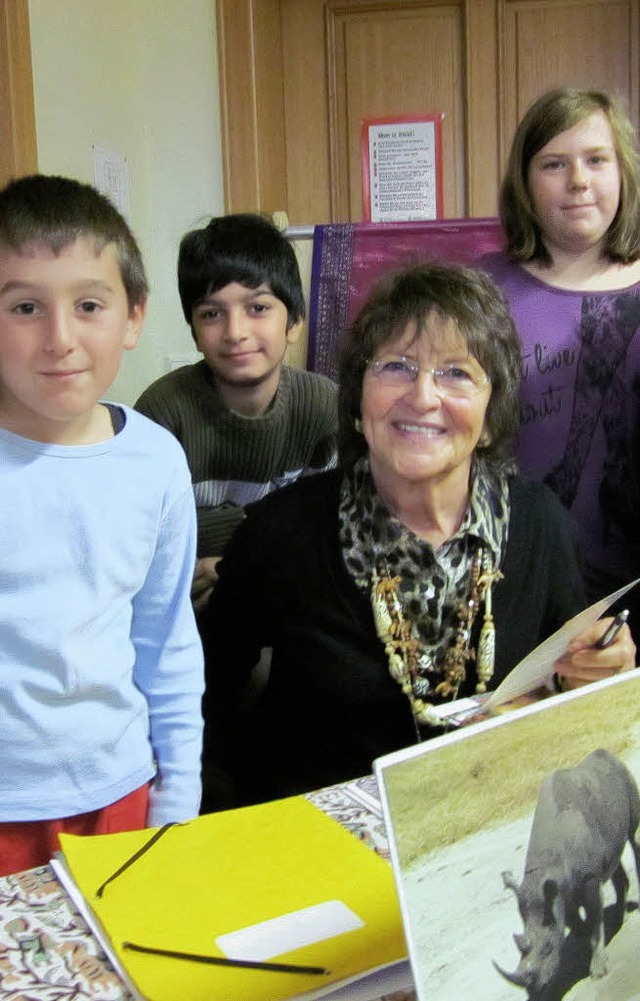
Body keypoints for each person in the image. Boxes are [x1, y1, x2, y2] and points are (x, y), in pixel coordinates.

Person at [198, 262, 635, 809]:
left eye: (456, 373)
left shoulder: (540, 524)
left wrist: (599, 670)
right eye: (397, 367)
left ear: (491, 415)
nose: (424, 396)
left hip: (482, 833)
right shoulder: (280, 532)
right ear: (358, 402)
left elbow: (567, 688)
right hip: (323, 846)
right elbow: (205, 702)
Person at [0, 175, 204, 876]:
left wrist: (178, 791)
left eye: (89, 304)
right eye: (25, 306)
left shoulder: (156, 460)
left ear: (134, 316)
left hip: (120, 792)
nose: (60, 338)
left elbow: (166, 637)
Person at [481, 87, 640, 638]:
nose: (579, 180)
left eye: (597, 160)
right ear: (524, 182)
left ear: (623, 172)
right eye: (555, 163)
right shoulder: (480, 291)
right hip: (506, 578)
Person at [135, 213, 338, 611]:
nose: (235, 332)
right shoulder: (163, 413)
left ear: (294, 321)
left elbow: (328, 530)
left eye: (258, 308)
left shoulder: (323, 408)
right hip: (185, 601)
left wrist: (237, 562)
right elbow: (142, 541)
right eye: (211, 313)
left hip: (286, 592)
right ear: (194, 331)